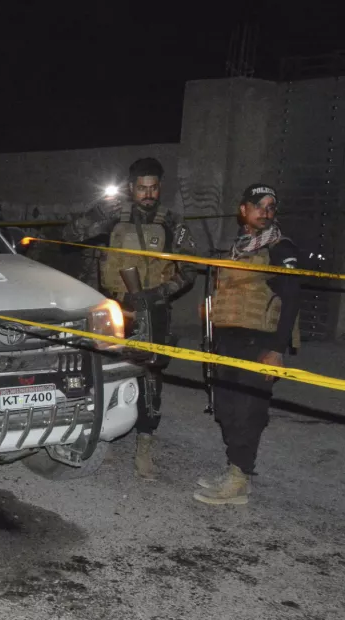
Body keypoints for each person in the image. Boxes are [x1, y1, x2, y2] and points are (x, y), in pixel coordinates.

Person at [63, 157, 197, 480]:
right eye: (142, 188)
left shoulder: (172, 223)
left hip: (153, 308)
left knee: (150, 377)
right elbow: (69, 234)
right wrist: (98, 210)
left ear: (160, 188)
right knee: (104, 370)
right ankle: (103, 436)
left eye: (153, 188)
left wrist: (161, 293)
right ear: (131, 188)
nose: (148, 194)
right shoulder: (113, 216)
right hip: (114, 306)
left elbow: (190, 269)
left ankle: (144, 446)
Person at [194, 184, 301, 505]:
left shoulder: (282, 249)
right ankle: (234, 470)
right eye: (259, 206)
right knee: (226, 408)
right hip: (228, 341)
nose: (266, 212)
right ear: (244, 210)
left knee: (248, 411)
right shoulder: (238, 248)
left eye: (271, 207)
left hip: (259, 342)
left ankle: (240, 479)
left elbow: (293, 301)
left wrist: (277, 349)